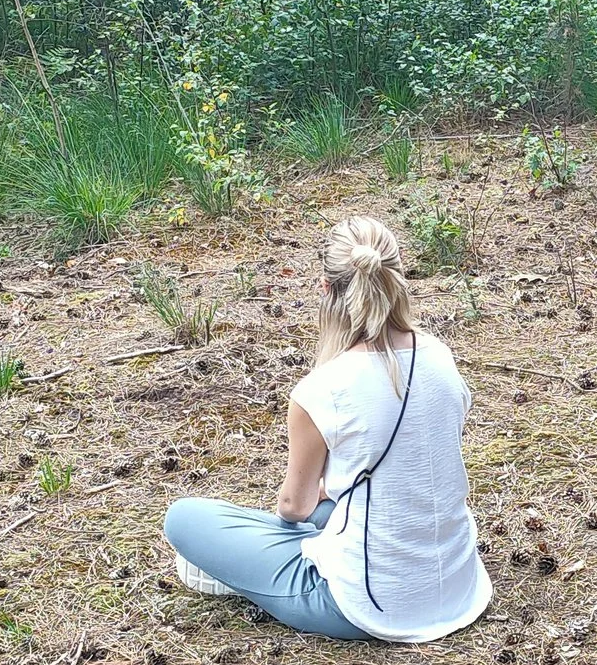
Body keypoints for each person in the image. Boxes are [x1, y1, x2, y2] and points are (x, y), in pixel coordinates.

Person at [162, 216, 491, 643]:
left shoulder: (323, 388)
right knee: (326, 510)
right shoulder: (442, 359)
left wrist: (312, 497)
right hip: (460, 586)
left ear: (325, 288)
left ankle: (245, 572)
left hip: (361, 606)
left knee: (184, 517)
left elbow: (293, 507)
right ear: (398, 276)